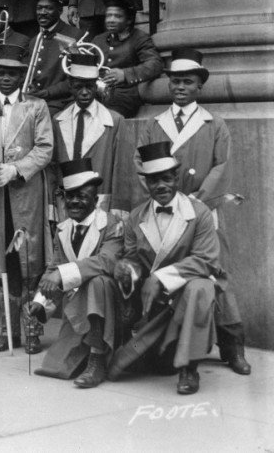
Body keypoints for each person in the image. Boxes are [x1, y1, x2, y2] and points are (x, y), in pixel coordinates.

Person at [133, 48, 250, 376]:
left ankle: (232, 345)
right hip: (166, 210)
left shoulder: (215, 124)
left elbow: (222, 166)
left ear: (199, 86)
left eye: (188, 82)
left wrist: (196, 201)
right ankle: (172, 343)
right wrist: (165, 199)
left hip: (202, 209)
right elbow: (141, 165)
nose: (180, 87)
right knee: (169, 270)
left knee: (217, 274)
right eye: (175, 81)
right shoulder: (155, 124)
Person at [111, 142, 243, 395]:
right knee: (144, 366)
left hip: (189, 292)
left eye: (166, 178)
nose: (161, 186)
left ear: (176, 179)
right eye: (153, 181)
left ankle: (190, 368)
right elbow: (132, 258)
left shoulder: (199, 212)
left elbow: (206, 260)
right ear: (146, 183)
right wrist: (127, 269)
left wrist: (161, 277)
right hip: (157, 304)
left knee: (200, 287)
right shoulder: (136, 217)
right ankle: (166, 352)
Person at [0, 44, 54, 354]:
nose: (6, 78)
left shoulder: (36, 107)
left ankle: (32, 330)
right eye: (0, 72)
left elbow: (44, 148)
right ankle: (8, 332)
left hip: (26, 195)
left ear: (22, 75)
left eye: (12, 73)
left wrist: (16, 170)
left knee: (27, 262)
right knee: (4, 263)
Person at [29, 158, 123, 388]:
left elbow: (106, 261)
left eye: (82, 196)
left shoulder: (112, 225)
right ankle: (87, 353)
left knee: (99, 281)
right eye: (70, 196)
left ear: (95, 198)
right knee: (55, 368)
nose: (74, 202)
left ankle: (97, 357)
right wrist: (40, 301)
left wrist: (62, 275)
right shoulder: (63, 229)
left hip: (108, 306)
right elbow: (54, 267)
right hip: (77, 305)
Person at [51, 52, 124, 214]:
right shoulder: (58, 120)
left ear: (96, 86)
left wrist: (117, 207)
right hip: (67, 200)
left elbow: (120, 168)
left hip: (100, 198)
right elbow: (53, 165)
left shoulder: (114, 121)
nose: (84, 92)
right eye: (78, 87)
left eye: (89, 87)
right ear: (70, 86)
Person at [91, 0, 163, 118]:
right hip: (95, 94)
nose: (111, 20)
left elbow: (155, 64)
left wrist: (125, 74)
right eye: (108, 15)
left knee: (107, 120)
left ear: (129, 20)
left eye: (117, 16)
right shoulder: (98, 39)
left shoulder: (139, 38)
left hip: (123, 96)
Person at [22, 0, 84, 115]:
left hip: (61, 102)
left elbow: (77, 78)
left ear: (60, 11)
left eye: (48, 8)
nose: (42, 12)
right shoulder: (35, 40)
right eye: (39, 8)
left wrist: (47, 93)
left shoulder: (75, 36)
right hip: (36, 100)